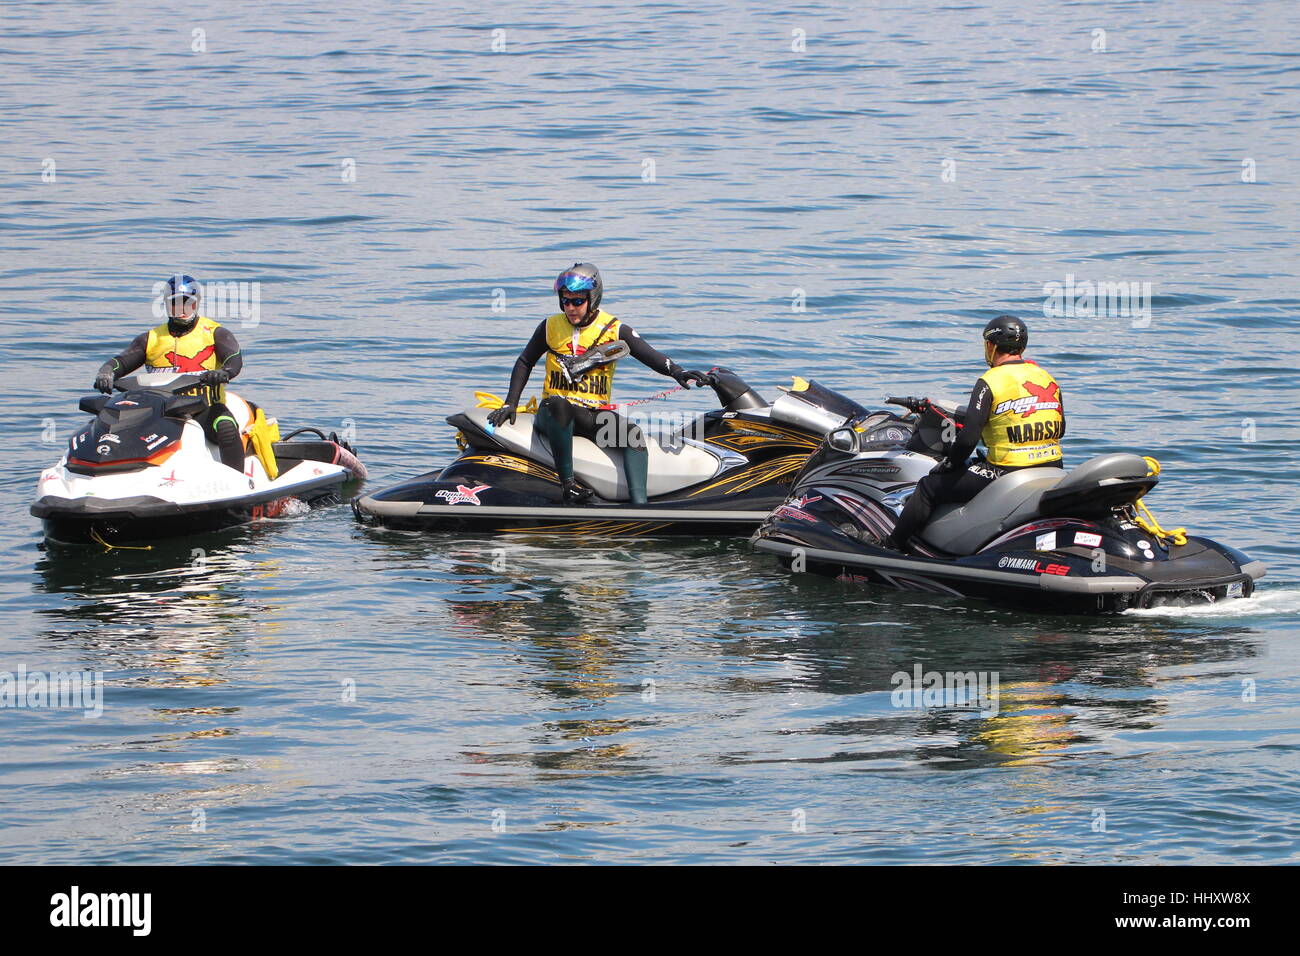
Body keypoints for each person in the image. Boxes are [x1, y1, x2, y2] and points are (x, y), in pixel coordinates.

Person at [487, 263, 708, 504]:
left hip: (592, 416)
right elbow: (524, 361)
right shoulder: (550, 327)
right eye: (565, 301)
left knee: (632, 434)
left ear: (593, 298)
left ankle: (640, 508)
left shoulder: (614, 329)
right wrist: (511, 403)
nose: (570, 308)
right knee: (559, 403)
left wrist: (678, 372)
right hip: (553, 415)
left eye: (578, 301)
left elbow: (650, 355)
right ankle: (568, 485)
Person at [885, 314, 1065, 551]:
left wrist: (950, 464)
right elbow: (1061, 429)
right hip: (1053, 465)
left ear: (991, 346)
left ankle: (892, 546)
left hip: (1007, 468)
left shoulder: (990, 380)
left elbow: (968, 438)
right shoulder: (1046, 377)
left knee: (929, 486)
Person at [93, 274, 247, 471]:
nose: (182, 309)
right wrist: (106, 372)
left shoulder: (215, 333)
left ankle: (237, 483)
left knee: (225, 426)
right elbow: (121, 362)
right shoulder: (151, 338)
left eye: (187, 303)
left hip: (205, 408)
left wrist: (224, 372)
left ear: (196, 304)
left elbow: (234, 360)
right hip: (159, 411)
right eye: (175, 303)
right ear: (166, 305)